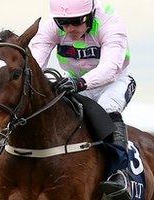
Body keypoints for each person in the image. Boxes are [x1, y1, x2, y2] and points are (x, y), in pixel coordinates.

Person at [29, 0, 135, 199]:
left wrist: (79, 84)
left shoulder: (110, 22)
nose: (69, 29)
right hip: (75, 80)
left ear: (91, 14)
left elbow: (110, 68)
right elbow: (35, 63)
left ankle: (119, 173)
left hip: (114, 81)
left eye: (76, 22)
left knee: (107, 107)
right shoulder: (51, 26)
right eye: (63, 23)